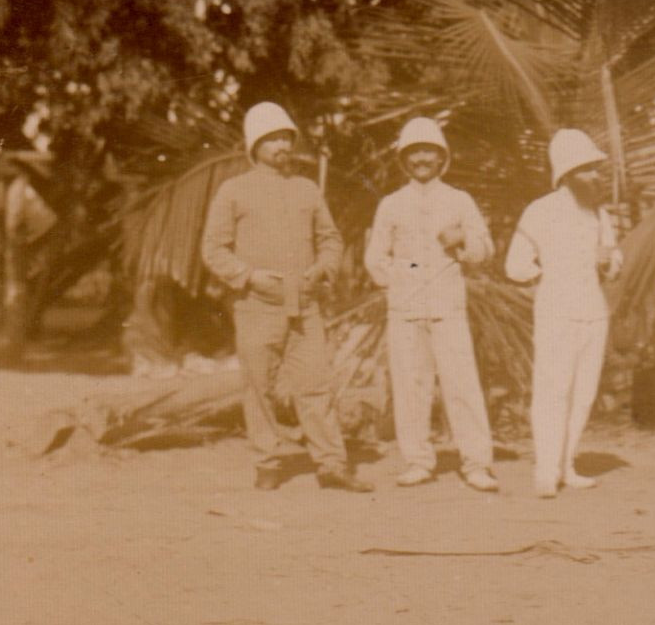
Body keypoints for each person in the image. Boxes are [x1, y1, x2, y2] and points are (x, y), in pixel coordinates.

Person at [200, 102, 372, 492]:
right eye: (272, 139)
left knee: (315, 384)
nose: (281, 145)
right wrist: (249, 276)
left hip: (305, 305)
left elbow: (330, 239)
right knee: (258, 385)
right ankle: (267, 461)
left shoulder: (306, 189)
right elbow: (213, 249)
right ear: (254, 145)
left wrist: (324, 268)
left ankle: (331, 463)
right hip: (257, 306)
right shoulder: (234, 191)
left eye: (285, 138)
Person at [364, 116, 498, 492]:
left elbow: (485, 251)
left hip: (448, 307)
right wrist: (399, 281)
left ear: (442, 158)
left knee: (462, 385)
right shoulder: (391, 204)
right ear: (404, 160)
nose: (422, 158)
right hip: (405, 309)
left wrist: (461, 241)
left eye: (429, 151)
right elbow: (375, 257)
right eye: (414, 152)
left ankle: (477, 463)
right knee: (410, 385)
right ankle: (418, 460)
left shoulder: (459, 200)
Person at [505, 129, 623, 498]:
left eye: (595, 169)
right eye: (586, 169)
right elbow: (515, 265)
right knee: (553, 389)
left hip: (593, 313)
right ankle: (546, 469)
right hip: (556, 312)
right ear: (567, 172)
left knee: (584, 392)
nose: (594, 176)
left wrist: (607, 263)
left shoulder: (599, 214)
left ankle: (567, 465)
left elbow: (615, 262)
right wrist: (548, 281)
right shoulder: (540, 211)